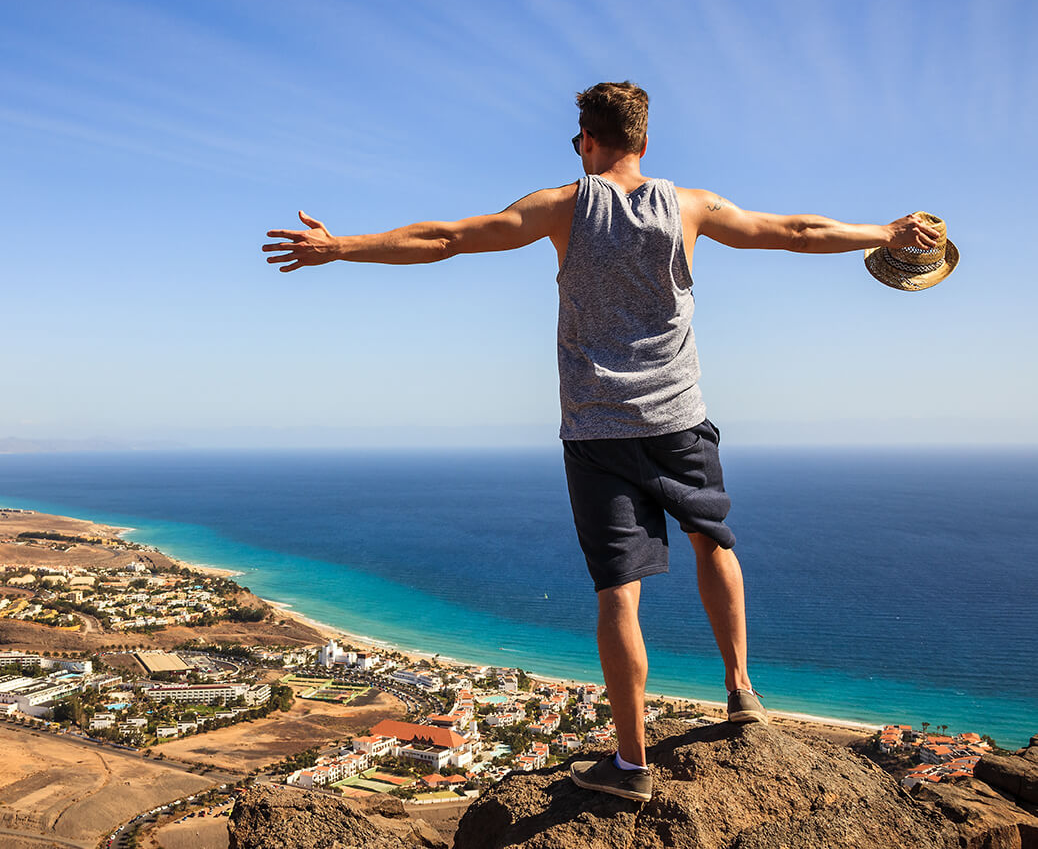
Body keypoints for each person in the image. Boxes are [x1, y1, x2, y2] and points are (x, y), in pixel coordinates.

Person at [262, 81, 941, 802]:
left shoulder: (564, 204)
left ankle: (631, 762)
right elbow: (797, 231)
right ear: (645, 142)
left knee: (619, 590)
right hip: (680, 417)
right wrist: (884, 232)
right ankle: (741, 691)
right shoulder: (688, 206)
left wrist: (339, 247)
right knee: (714, 541)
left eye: (578, 142)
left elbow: (447, 238)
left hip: (596, 428)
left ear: (587, 141)